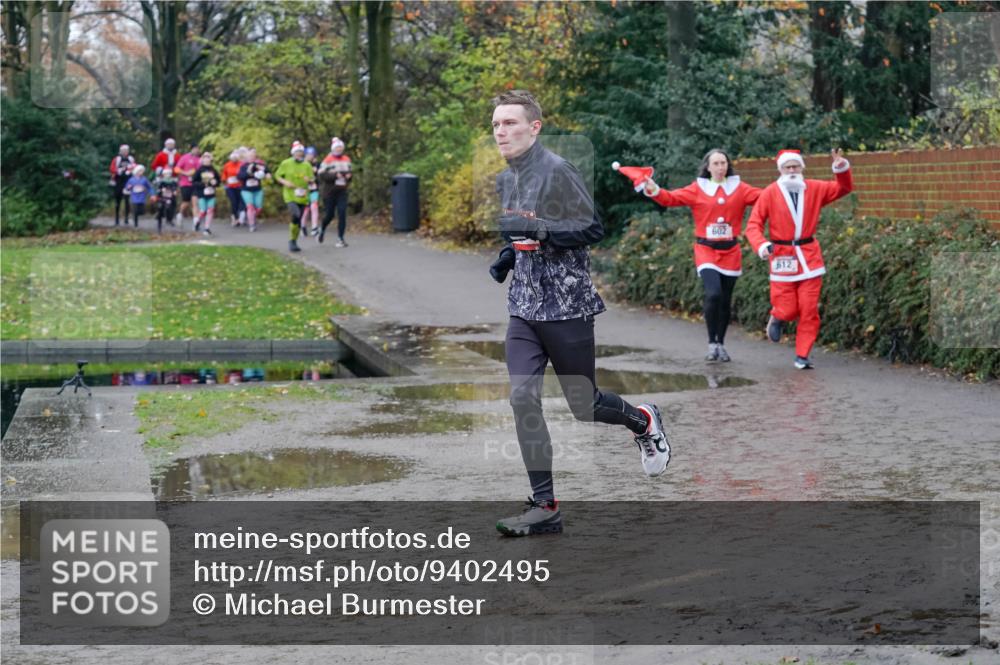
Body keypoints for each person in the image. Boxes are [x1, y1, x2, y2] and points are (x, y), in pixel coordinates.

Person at [488, 90, 671, 537]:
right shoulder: (506, 179)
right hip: (523, 308)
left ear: (534, 128)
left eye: (510, 123)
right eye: (495, 125)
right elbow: (519, 232)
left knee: (583, 405)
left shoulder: (558, 170)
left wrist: (542, 231)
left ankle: (643, 421)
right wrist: (508, 255)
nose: (501, 132)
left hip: (566, 307)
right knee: (522, 399)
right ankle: (545, 506)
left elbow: (592, 227)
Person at [637, 150, 762, 362]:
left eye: (723, 163)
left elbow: (766, 197)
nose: (720, 167)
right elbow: (671, 198)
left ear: (728, 166)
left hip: (731, 251)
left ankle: (721, 344)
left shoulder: (740, 188)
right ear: (708, 167)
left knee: (725, 299)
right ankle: (711, 343)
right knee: (713, 294)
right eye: (716, 163)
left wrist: (786, 187)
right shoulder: (698, 188)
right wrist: (654, 188)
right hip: (706, 251)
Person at [744, 149, 853, 369]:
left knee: (809, 309)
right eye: (788, 167)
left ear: (802, 168)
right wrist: (762, 245)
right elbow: (753, 225)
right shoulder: (770, 193)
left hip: (809, 258)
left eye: (796, 166)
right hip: (782, 257)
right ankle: (778, 316)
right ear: (781, 170)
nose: (792, 171)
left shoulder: (814, 188)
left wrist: (841, 168)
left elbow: (843, 188)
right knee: (788, 309)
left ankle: (802, 355)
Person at [274, 141, 316, 253]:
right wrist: (285, 182)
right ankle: (292, 240)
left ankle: (293, 241)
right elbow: (277, 175)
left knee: (297, 220)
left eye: (301, 152)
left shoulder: (307, 165)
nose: (299, 154)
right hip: (290, 195)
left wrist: (309, 180)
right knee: (295, 214)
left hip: (303, 195)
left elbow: (312, 179)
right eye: (297, 152)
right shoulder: (286, 163)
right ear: (293, 153)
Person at [317, 137, 352, 246]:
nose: (339, 149)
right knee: (330, 215)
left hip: (342, 191)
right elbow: (321, 174)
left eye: (341, 148)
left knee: (342, 213)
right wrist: (334, 176)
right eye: (337, 148)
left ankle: (340, 238)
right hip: (329, 192)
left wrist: (349, 176)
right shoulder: (328, 159)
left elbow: (350, 173)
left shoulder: (346, 159)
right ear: (333, 149)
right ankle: (322, 229)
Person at [238, 148, 271, 232]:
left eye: (253, 156)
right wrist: (248, 172)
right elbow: (240, 176)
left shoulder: (259, 164)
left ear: (255, 156)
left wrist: (267, 174)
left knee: (258, 208)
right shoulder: (243, 166)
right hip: (246, 190)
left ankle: (250, 217)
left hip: (257, 190)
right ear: (247, 157)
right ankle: (252, 225)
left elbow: (267, 170)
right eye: (250, 156)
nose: (251, 157)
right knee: (250, 206)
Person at [150, 138, 180, 226]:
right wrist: (161, 171)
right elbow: (154, 166)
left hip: (173, 179)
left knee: (172, 198)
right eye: (169, 144)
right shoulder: (161, 155)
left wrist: (177, 172)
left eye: (172, 144)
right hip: (162, 178)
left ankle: (170, 218)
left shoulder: (177, 155)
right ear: (165, 145)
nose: (170, 146)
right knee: (161, 197)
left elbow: (180, 166)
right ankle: (160, 212)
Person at [192, 152, 221, 236]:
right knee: (203, 211)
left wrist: (215, 183)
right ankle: (197, 222)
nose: (207, 159)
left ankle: (207, 228)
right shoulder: (199, 170)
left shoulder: (213, 170)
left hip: (211, 194)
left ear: (211, 159)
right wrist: (203, 184)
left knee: (210, 210)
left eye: (208, 157)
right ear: (202, 159)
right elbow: (194, 182)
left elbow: (218, 181)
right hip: (202, 194)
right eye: (205, 157)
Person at [175, 144, 202, 229]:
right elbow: (176, 169)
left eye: (198, 149)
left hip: (195, 184)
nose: (197, 150)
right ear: (192, 149)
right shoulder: (185, 157)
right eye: (195, 149)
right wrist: (186, 173)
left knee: (195, 203)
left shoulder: (200, 160)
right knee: (186, 202)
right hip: (185, 183)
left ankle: (196, 222)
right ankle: (180, 215)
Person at [108, 144, 136, 226]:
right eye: (123, 150)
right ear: (120, 151)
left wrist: (131, 170)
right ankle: (117, 219)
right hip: (118, 181)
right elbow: (112, 168)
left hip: (128, 181)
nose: (125, 152)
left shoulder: (131, 158)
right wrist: (119, 171)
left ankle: (126, 219)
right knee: (118, 200)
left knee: (127, 200)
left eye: (126, 150)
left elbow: (135, 167)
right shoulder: (117, 159)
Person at [222, 149, 246, 227]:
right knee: (233, 202)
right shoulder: (227, 165)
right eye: (233, 158)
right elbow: (224, 175)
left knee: (241, 202)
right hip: (230, 187)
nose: (234, 159)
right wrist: (224, 181)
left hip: (240, 186)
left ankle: (240, 219)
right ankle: (234, 218)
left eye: (236, 157)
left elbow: (243, 174)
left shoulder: (241, 164)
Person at [301, 146, 321, 237]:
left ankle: (314, 228)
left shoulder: (317, 164)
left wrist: (316, 173)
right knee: (305, 209)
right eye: (308, 154)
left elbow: (320, 175)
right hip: (304, 189)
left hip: (314, 189)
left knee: (314, 206)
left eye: (312, 154)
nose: (310, 156)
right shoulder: (301, 164)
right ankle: (302, 226)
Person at [154, 164, 178, 234]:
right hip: (162, 198)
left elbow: (175, 188)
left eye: (169, 173)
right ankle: (159, 226)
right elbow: (157, 189)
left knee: (170, 208)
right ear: (164, 174)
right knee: (160, 209)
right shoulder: (161, 181)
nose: (168, 175)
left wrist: (175, 191)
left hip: (170, 198)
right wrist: (161, 190)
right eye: (166, 174)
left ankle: (169, 219)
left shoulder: (173, 181)